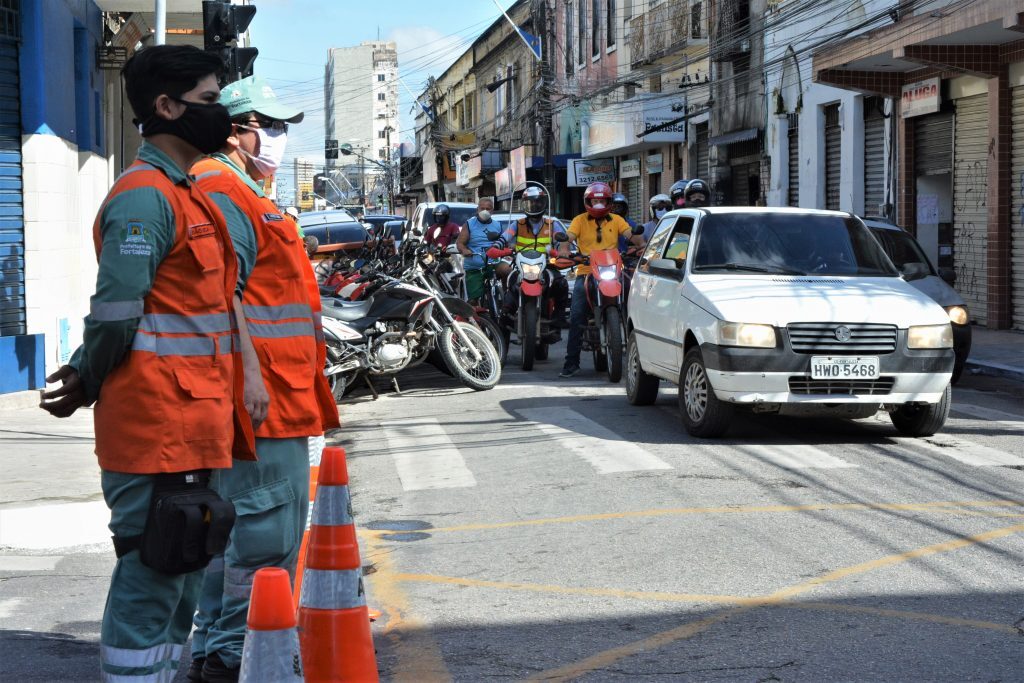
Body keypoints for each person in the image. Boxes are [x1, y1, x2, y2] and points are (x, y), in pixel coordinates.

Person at [38, 45, 261, 682]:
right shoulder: (145, 199)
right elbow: (115, 315)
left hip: (193, 427)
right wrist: (86, 376)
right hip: (157, 430)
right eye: (210, 102)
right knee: (150, 585)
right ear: (165, 107)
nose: (223, 117)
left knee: (181, 588)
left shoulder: (185, 194)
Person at [188, 76, 340, 682]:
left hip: (276, 390)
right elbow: (219, 293)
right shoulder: (226, 192)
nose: (275, 138)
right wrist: (249, 375)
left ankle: (220, 647)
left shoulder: (246, 189)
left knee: (239, 528)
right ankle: (236, 652)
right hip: (261, 399)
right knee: (263, 532)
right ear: (235, 129)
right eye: (267, 126)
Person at [560, 181, 644, 378]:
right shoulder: (579, 220)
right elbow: (567, 238)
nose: (598, 204)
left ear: (609, 202)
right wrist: (565, 250)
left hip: (614, 271)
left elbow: (632, 236)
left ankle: (641, 359)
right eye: (594, 201)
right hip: (586, 271)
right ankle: (571, 362)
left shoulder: (616, 220)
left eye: (602, 201)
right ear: (588, 201)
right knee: (576, 313)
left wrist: (640, 244)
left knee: (634, 303)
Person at [488, 185, 569, 328]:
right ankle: (506, 311)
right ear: (524, 204)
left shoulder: (552, 224)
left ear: (544, 203)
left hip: (546, 264)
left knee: (561, 283)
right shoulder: (518, 224)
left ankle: (560, 316)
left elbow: (559, 240)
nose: (534, 205)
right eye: (530, 202)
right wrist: (496, 247)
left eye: (538, 202)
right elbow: (505, 237)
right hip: (522, 264)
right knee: (512, 281)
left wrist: (562, 251)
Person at [456, 197, 496, 305]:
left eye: (488, 208)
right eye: (482, 208)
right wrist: (464, 250)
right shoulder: (469, 224)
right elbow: (460, 243)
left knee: (508, 272)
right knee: (473, 300)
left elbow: (504, 241)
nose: (485, 211)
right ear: (478, 209)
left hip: (493, 263)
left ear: (492, 210)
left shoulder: (497, 225)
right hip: (475, 266)